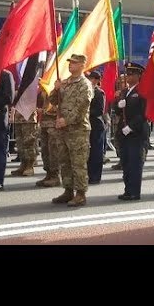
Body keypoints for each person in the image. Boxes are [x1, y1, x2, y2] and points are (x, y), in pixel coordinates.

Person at [49, 53, 94, 207]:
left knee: (78, 162)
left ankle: (80, 193)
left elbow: (82, 107)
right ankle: (68, 190)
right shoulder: (66, 83)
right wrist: (55, 89)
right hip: (64, 130)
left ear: (82, 65)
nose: (70, 65)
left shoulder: (85, 85)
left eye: (74, 63)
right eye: (70, 62)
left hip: (78, 130)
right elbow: (53, 101)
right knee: (65, 161)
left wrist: (66, 120)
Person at [114, 62, 149, 200]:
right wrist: (118, 103)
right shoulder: (125, 91)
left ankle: (134, 191)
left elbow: (144, 113)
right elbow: (117, 110)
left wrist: (131, 127)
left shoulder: (142, 91)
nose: (128, 76)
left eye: (131, 74)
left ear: (138, 75)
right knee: (126, 162)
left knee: (135, 163)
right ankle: (127, 189)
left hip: (137, 133)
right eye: (127, 73)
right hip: (123, 132)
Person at [86, 71, 106, 185]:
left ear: (97, 80)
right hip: (87, 124)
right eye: (90, 78)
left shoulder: (99, 93)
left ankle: (95, 176)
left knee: (96, 152)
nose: (91, 80)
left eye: (93, 79)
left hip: (96, 124)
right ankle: (88, 174)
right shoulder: (86, 92)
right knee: (87, 151)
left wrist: (86, 112)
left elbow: (99, 110)